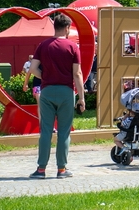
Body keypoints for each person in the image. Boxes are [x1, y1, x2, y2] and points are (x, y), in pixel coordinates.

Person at [28, 13, 84, 179]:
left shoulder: (43, 45)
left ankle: (40, 169)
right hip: (66, 92)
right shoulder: (73, 47)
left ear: (55, 27)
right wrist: (81, 97)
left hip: (47, 91)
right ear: (67, 28)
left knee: (45, 131)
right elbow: (77, 73)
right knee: (64, 132)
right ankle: (61, 169)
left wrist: (44, 77)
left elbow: (32, 68)